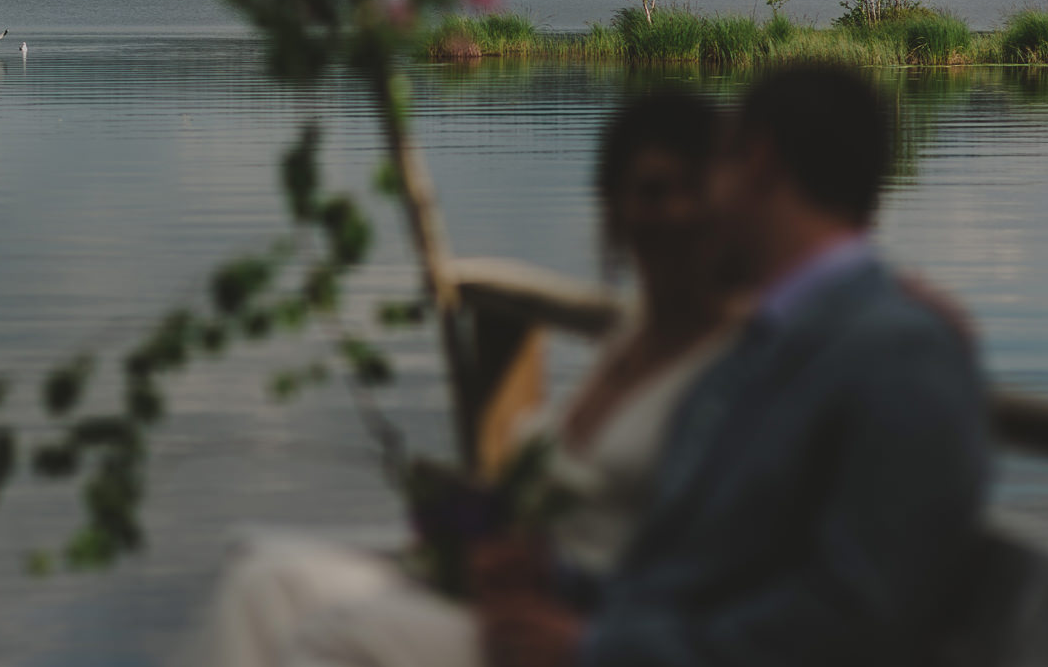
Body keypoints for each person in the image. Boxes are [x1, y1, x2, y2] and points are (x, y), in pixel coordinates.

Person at [184, 90, 749, 667]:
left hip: (584, 632)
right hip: (511, 598)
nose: (676, 212)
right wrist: (496, 550)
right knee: (262, 579)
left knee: (332, 640)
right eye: (652, 192)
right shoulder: (630, 339)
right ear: (615, 207)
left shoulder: (739, 366)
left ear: (728, 203)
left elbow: (729, 567)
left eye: (694, 190)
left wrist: (588, 628)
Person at [482, 65, 990, 667]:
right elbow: (694, 565)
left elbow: (857, 615)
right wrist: (559, 580)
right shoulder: (764, 345)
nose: (700, 207)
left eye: (716, 167)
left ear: (759, 161)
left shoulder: (899, 355)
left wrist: (595, 649)